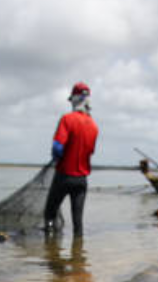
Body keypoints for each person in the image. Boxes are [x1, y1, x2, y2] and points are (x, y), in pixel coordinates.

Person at [43, 82, 99, 237]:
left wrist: (56, 158)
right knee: (77, 220)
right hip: (81, 180)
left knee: (49, 212)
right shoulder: (94, 125)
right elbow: (91, 151)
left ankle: (50, 252)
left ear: (74, 99)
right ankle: (78, 255)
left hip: (64, 176)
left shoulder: (67, 119)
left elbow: (57, 148)